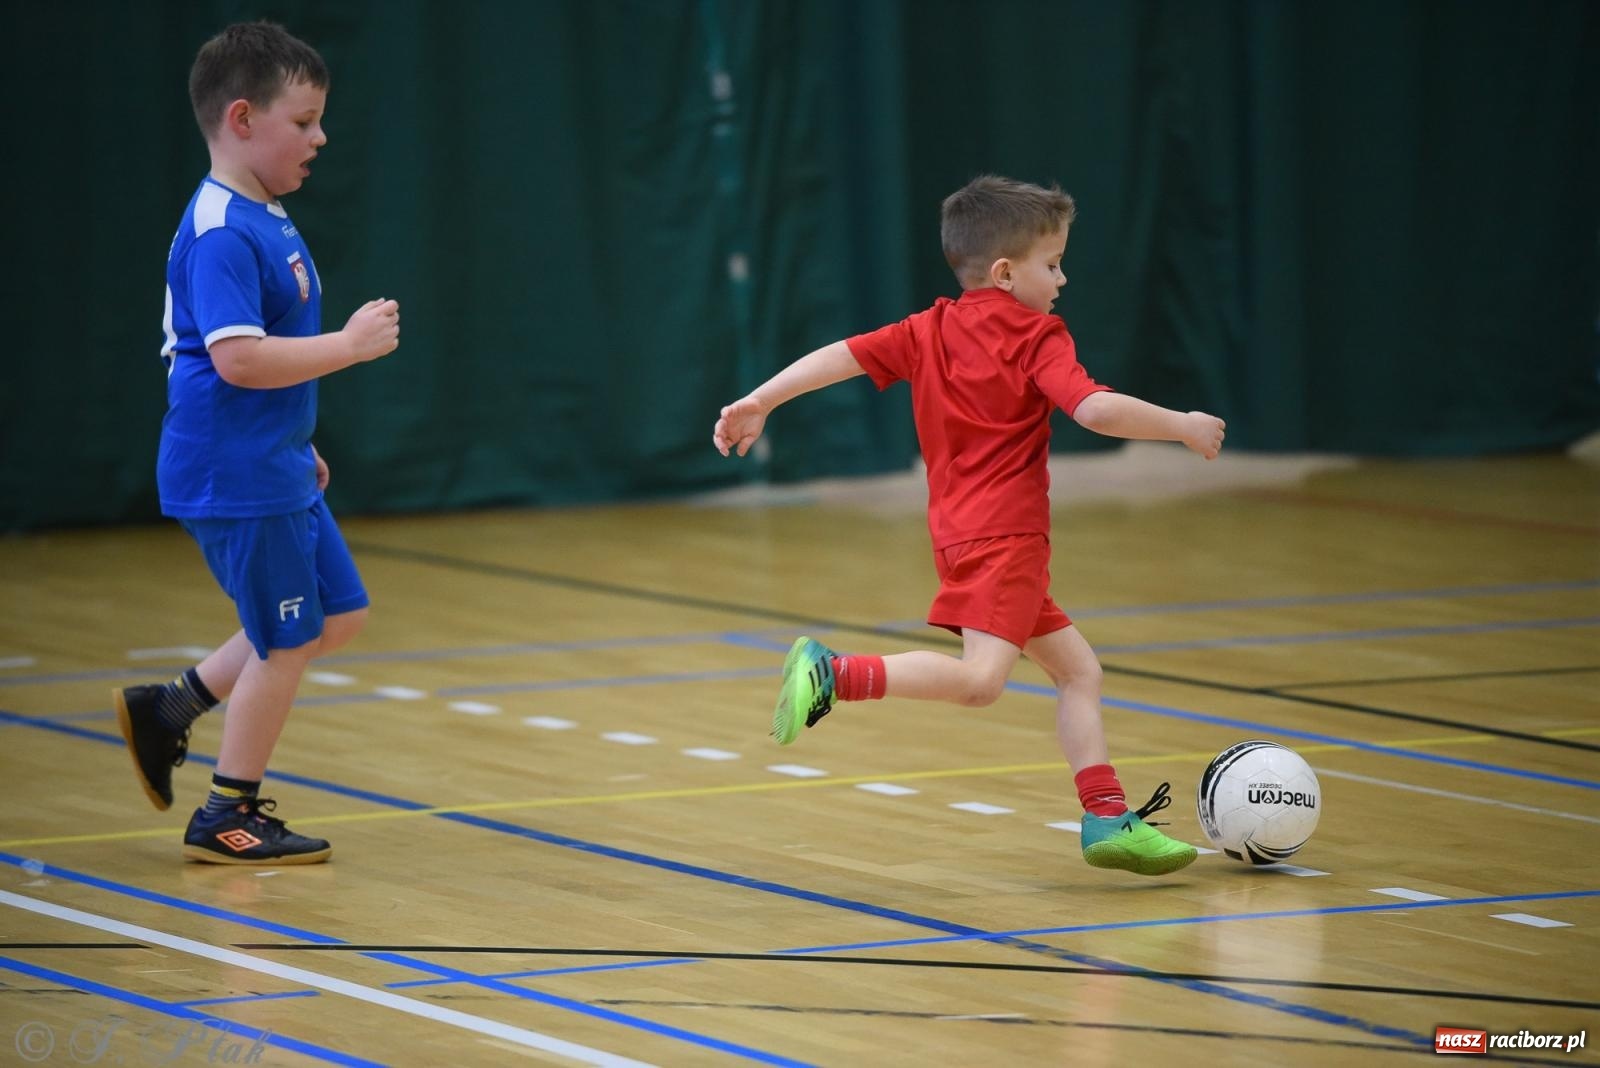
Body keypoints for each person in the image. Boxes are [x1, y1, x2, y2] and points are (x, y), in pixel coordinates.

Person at [713, 175, 1225, 876]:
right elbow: (1096, 411)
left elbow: (843, 356)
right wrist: (1183, 426)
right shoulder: (1038, 335)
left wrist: (760, 399)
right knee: (983, 681)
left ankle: (1107, 819)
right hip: (1006, 538)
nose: (1063, 278)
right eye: (1053, 264)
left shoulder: (928, 329)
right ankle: (834, 673)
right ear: (1008, 272)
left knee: (1079, 671)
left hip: (961, 536)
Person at [114, 21, 400, 865]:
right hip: (231, 466)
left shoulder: (263, 214)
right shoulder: (222, 231)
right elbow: (237, 360)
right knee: (285, 640)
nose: (320, 137)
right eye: (304, 121)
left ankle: (172, 706)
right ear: (242, 119)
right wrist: (347, 348)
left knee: (338, 616)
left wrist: (293, 437)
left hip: (270, 458)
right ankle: (227, 813)